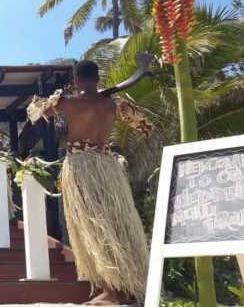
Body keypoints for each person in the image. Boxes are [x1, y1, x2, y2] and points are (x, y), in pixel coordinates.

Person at [27, 60, 153, 306]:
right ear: (97, 79)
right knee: (117, 225)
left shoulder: (70, 103)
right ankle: (125, 286)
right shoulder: (115, 105)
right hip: (108, 168)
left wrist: (57, 98)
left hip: (82, 168)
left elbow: (34, 112)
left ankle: (111, 291)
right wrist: (105, 102)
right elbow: (145, 126)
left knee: (95, 227)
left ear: (76, 80)